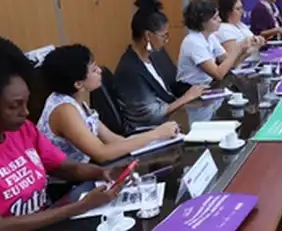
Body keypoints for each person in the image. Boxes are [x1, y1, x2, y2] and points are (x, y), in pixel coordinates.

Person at [0, 35, 127, 231]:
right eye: (14, 106)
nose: (25, 112)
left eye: (26, 102)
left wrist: (103, 173)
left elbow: (67, 167)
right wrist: (80, 207)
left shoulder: (22, 129)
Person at [37, 44, 180, 164]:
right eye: (94, 69)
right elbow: (101, 153)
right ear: (78, 84)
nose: (100, 71)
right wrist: (155, 134)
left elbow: (114, 140)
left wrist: (159, 137)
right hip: (68, 183)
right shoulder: (64, 110)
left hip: (85, 171)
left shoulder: (78, 101)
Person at [114, 0, 209, 130]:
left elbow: (173, 84)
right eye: (164, 35)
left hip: (171, 121)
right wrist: (186, 98)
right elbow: (151, 116)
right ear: (148, 36)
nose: (166, 40)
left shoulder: (155, 55)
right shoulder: (130, 71)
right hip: (149, 132)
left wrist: (198, 90)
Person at [178, 0, 244, 86]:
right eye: (215, 18)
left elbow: (229, 63)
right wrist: (237, 49)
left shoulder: (210, 36)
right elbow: (218, 74)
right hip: (191, 88)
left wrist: (245, 49)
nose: (220, 20)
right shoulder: (193, 42)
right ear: (202, 21)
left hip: (208, 84)